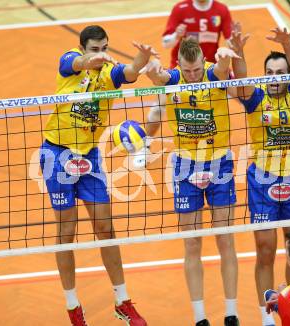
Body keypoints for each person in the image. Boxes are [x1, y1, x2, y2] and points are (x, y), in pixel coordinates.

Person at [40, 25, 157, 326]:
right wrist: (86, 62)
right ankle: (72, 306)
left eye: (104, 48)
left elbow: (128, 73)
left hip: (89, 157)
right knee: (66, 233)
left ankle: (123, 301)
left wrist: (140, 60)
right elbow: (74, 63)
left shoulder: (108, 74)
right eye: (95, 49)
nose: (100, 54)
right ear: (83, 48)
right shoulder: (70, 62)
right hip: (57, 154)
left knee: (105, 228)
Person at [142, 38, 240, 326]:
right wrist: (150, 67)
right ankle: (200, 318)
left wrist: (224, 57)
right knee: (192, 244)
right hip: (184, 166)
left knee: (225, 238)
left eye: (197, 69)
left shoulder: (213, 74)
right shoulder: (172, 79)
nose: (193, 76)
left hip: (220, 162)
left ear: (202, 62)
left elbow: (223, 68)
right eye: (188, 71)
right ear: (179, 65)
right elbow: (157, 76)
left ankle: (231, 313)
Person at [229, 27, 290, 325]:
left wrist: (287, 43)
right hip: (263, 183)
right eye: (270, 71)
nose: (275, 76)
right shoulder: (255, 99)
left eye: (281, 71)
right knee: (265, 250)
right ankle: (267, 318)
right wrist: (238, 50)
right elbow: (240, 80)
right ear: (264, 74)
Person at [135, 0, 233, 168]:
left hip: (210, 73)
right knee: (158, 108)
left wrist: (230, 49)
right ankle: (144, 145)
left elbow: (231, 41)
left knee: (245, 96)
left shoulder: (221, 10)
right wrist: (176, 36)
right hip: (181, 73)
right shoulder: (181, 9)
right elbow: (166, 43)